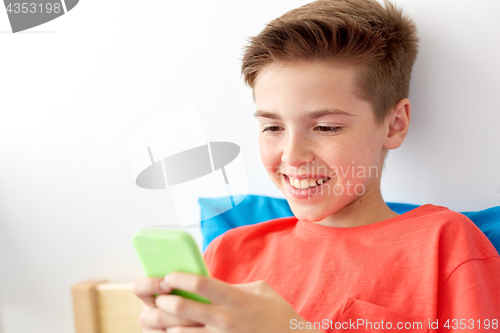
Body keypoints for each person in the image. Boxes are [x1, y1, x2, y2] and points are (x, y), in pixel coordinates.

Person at [133, 0, 500, 331]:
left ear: (394, 124)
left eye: (326, 127)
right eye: (273, 127)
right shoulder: (227, 254)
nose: (292, 156)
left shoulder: (445, 244)